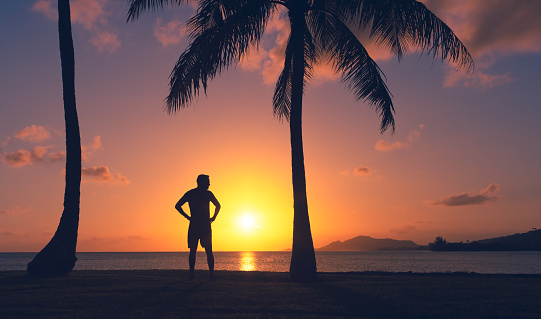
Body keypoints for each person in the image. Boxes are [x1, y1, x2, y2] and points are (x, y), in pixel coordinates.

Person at [175, 174, 221, 280]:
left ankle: (193, 275)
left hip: (196, 224)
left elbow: (177, 206)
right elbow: (218, 205)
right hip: (203, 225)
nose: (209, 184)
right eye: (207, 181)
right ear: (201, 182)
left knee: (195, 251)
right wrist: (213, 217)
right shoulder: (207, 194)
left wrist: (188, 217)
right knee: (207, 251)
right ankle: (210, 275)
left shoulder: (191, 193)